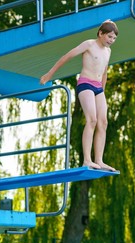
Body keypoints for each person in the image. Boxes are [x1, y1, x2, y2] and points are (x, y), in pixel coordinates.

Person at [40, 20, 118, 172]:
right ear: (100, 33)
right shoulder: (89, 45)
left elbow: (105, 71)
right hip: (85, 84)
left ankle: (99, 160)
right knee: (92, 120)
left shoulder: (108, 51)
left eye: (114, 38)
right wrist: (49, 75)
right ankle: (87, 160)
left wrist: (102, 92)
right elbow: (67, 56)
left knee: (103, 122)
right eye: (109, 36)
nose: (111, 40)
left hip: (98, 88)